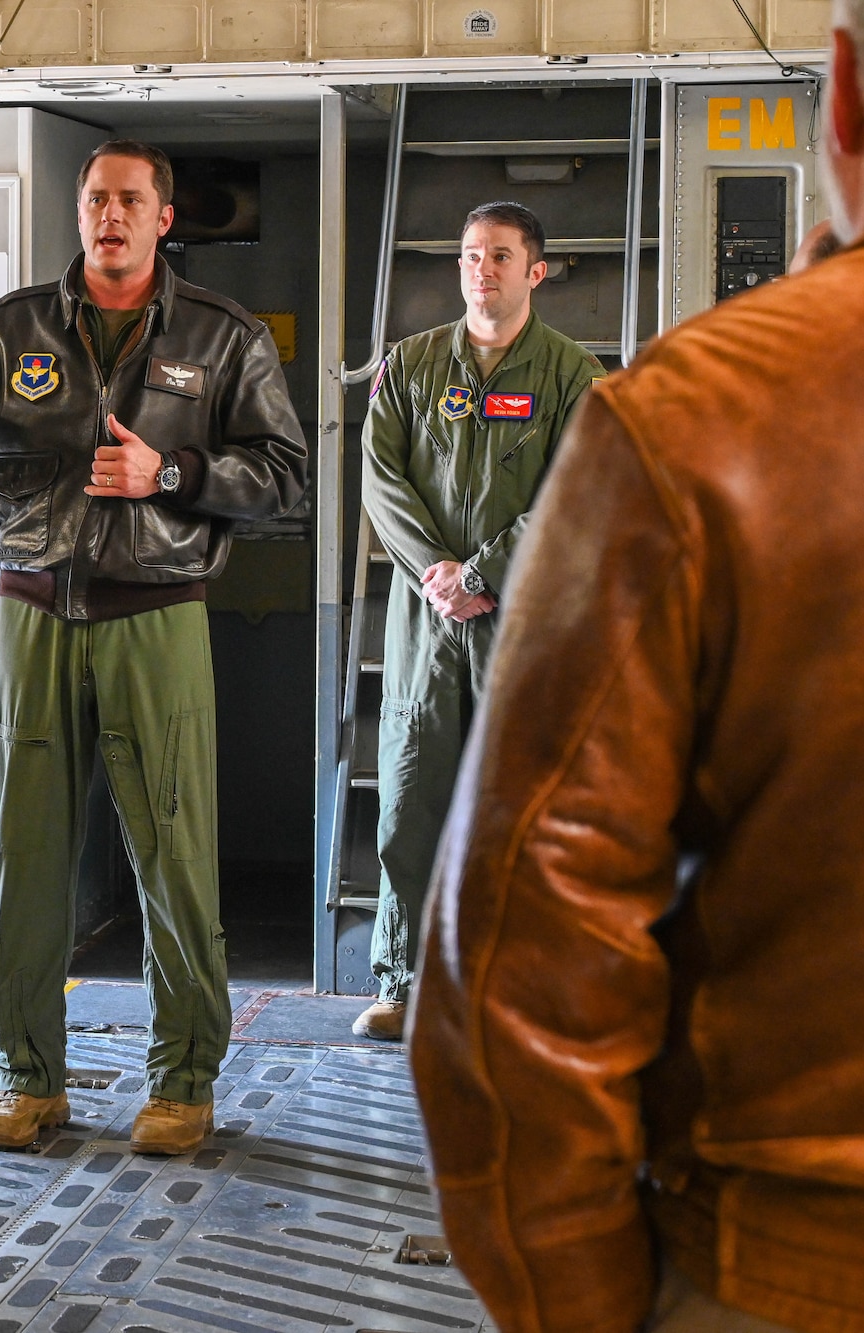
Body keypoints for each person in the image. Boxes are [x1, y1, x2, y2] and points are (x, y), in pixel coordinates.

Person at [408, 1, 864, 1330]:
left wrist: (601, 1310)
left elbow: (512, 980)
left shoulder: (697, 419)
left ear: (840, 98)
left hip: (806, 1275)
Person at [0, 140, 307, 1155]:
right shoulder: (7, 328)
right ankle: (28, 1078)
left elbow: (284, 479)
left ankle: (181, 1081)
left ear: (164, 217)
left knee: (171, 852)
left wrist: (168, 474)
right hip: (32, 613)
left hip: (152, 615)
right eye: (93, 200)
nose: (106, 215)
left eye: (127, 200)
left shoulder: (221, 334)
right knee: (26, 855)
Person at [352, 201, 602, 1042]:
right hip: (427, 619)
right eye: (468, 254)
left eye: (499, 255)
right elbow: (381, 480)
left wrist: (486, 573)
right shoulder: (413, 365)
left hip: (523, 621)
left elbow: (578, 491)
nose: (480, 268)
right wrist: (437, 573)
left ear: (536, 271)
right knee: (412, 796)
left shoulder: (572, 374)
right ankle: (402, 979)